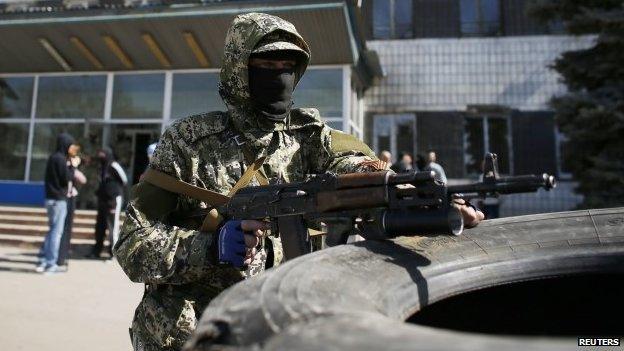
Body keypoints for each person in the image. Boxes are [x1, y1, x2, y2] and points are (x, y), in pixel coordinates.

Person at [113, 13, 483, 351]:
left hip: (281, 331)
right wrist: (209, 248)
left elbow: (354, 166)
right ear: (239, 70)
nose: (279, 75)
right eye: (266, 65)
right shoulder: (188, 141)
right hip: (190, 334)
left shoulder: (308, 137)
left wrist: (420, 201)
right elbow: (131, 243)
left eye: (287, 66)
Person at [36, 133, 79, 274]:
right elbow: (67, 178)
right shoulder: (60, 159)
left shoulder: (53, 157)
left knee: (51, 230)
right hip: (58, 200)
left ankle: (43, 259)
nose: (72, 148)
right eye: (70, 145)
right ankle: (50, 263)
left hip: (49, 198)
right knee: (56, 232)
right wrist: (73, 166)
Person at [89, 147, 127, 259]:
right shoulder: (102, 167)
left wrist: (113, 190)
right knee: (100, 226)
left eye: (102, 154)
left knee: (112, 226)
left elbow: (124, 180)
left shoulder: (114, 165)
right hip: (102, 200)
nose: (101, 157)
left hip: (113, 200)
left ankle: (113, 253)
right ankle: (96, 251)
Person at [56, 154, 87, 271]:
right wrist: (72, 167)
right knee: (63, 229)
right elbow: (79, 179)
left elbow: (82, 179)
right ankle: (60, 257)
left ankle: (61, 256)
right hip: (66, 198)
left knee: (64, 229)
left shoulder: (67, 167)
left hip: (67, 198)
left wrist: (74, 167)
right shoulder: (65, 167)